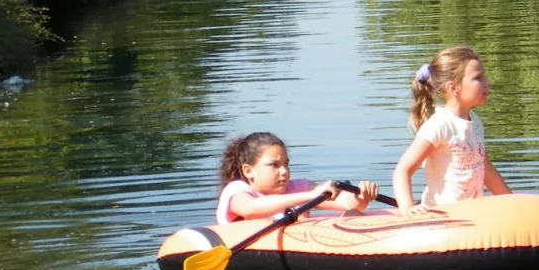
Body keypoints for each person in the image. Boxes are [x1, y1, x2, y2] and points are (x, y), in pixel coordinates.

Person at [392, 46, 512, 213]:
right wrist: (407, 208)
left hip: (471, 215)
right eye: (478, 78)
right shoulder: (440, 125)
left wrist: (511, 202)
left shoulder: (474, 121)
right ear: (453, 87)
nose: (487, 82)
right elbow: (403, 170)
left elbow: (487, 170)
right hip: (445, 218)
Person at [216, 131, 377, 225]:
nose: (284, 171)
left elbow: (347, 204)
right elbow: (250, 209)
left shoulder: (298, 187)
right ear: (248, 171)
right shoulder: (237, 190)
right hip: (258, 250)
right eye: (274, 165)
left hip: (305, 247)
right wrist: (311, 196)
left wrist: (362, 196)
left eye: (286, 164)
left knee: (353, 214)